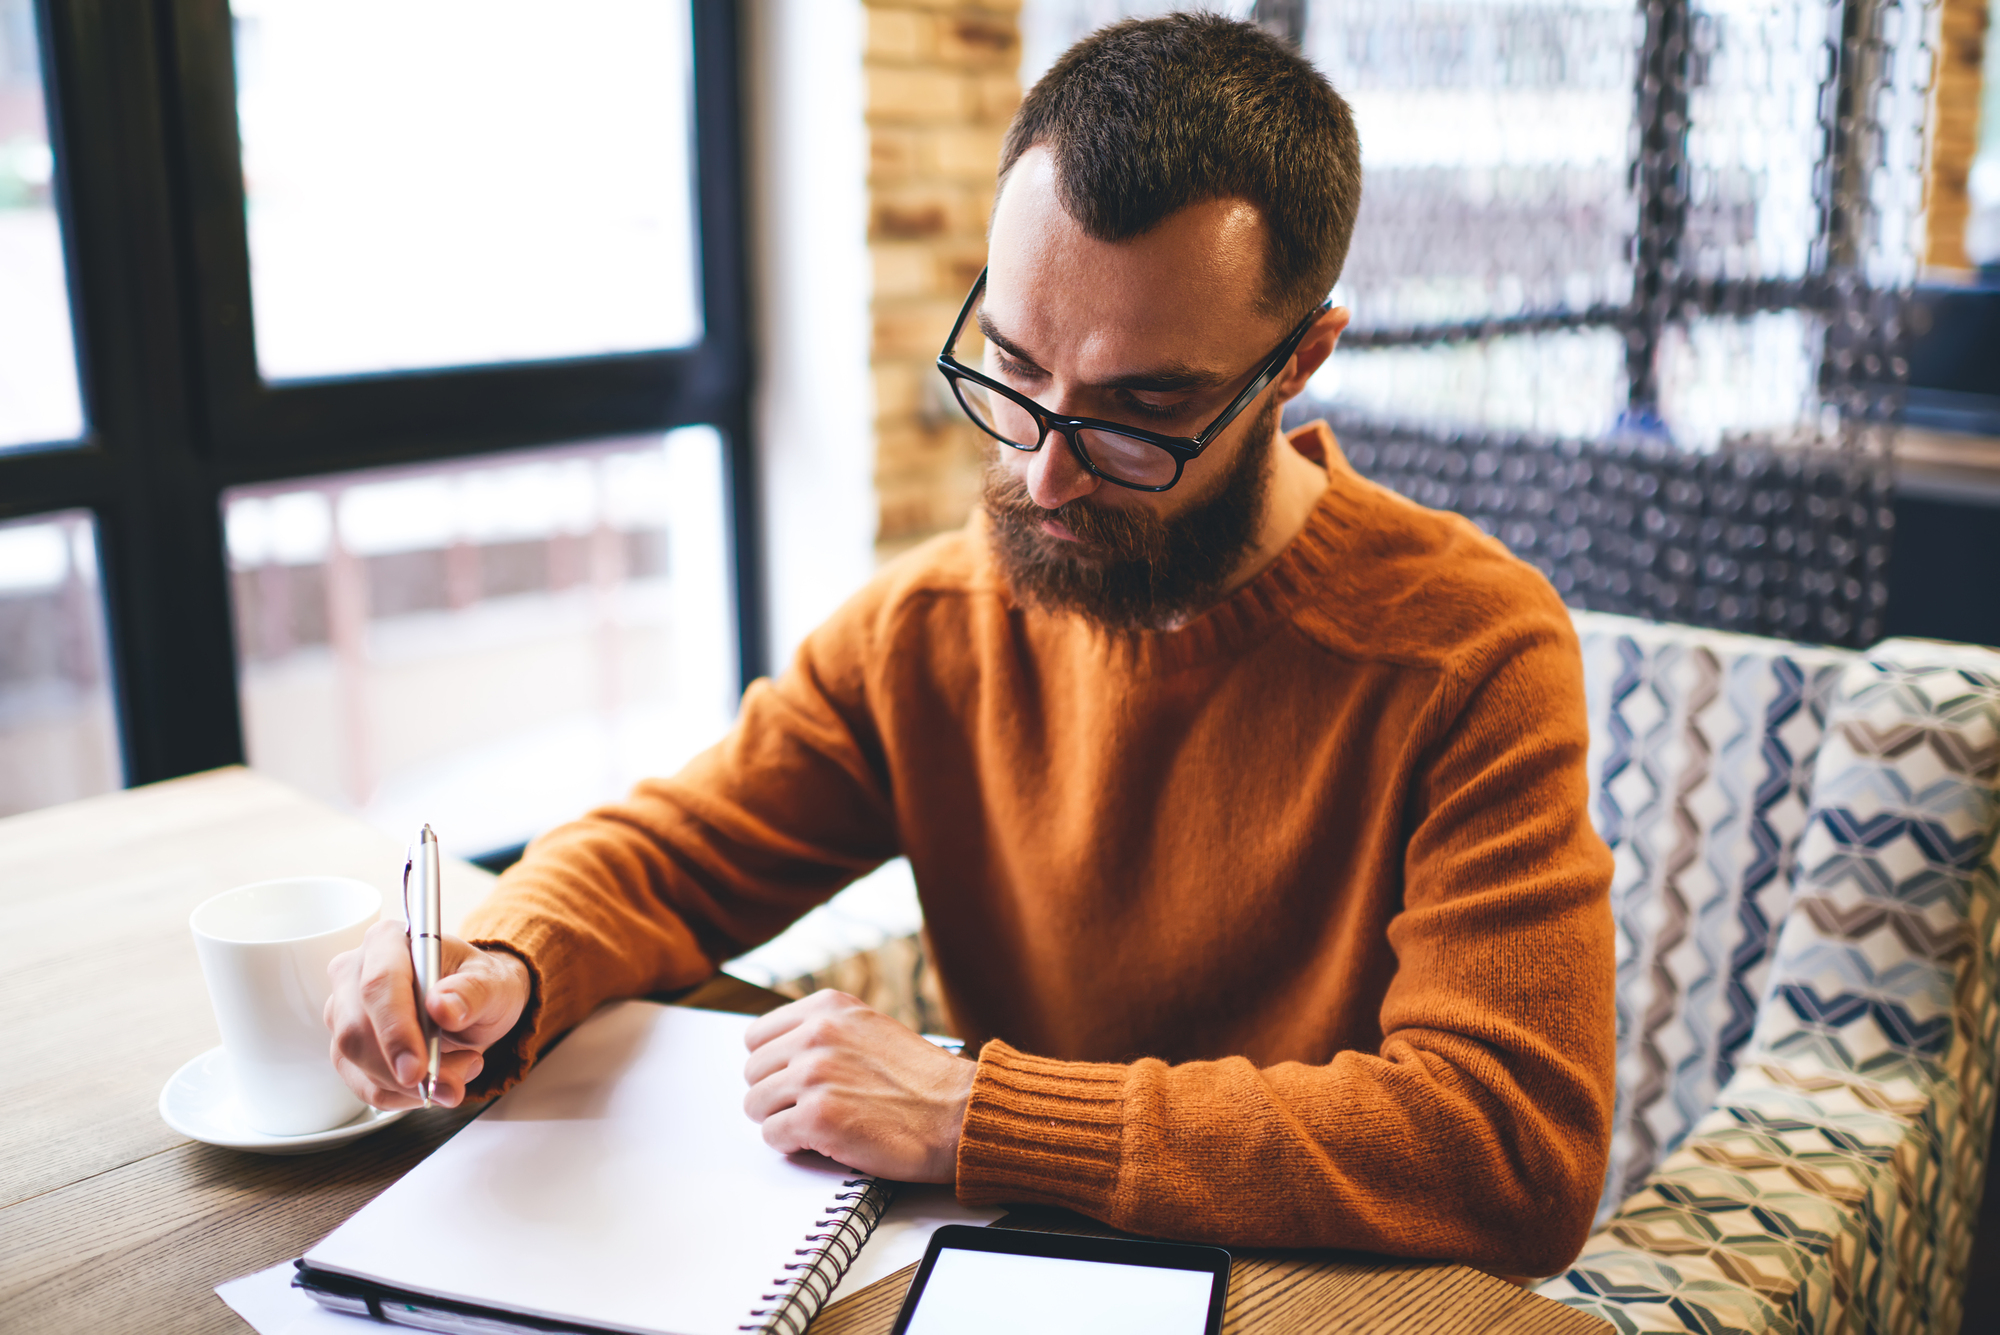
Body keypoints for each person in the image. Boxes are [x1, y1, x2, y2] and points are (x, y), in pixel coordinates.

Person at [324, 13, 1616, 1277]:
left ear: (1298, 362)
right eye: (1012, 367)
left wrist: (967, 1116)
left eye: (1142, 410)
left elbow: (1509, 1150)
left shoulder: (1471, 653)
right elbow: (674, 854)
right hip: (1014, 1268)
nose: (1044, 479)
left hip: (1331, 1293)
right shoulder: (935, 624)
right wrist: (505, 957)